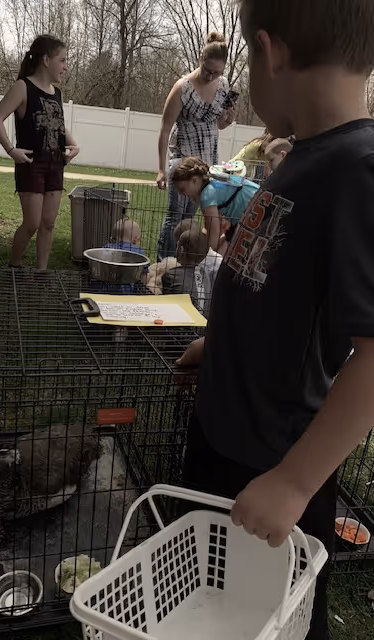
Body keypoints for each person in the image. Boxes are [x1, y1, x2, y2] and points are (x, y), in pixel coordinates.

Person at [177, 1, 374, 638]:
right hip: (225, 437)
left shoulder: (358, 170)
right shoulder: (301, 156)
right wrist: (221, 343)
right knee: (214, 608)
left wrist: (294, 483)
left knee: (273, 620)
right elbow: (274, 286)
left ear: (271, 51)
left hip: (271, 467)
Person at [0, 35, 79, 270]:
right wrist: (11, 150)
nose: (65, 66)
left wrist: (74, 145)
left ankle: (41, 273)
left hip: (56, 163)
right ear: (46, 60)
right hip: (31, 163)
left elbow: (57, 122)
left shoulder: (56, 93)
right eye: (62, 60)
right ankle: (14, 265)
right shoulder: (23, 87)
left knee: (48, 223)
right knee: (32, 223)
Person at [156, 32, 236, 261]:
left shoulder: (223, 86)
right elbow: (164, 129)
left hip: (206, 163)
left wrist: (228, 118)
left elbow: (218, 125)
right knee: (175, 214)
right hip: (182, 159)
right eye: (208, 70)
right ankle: (164, 262)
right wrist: (161, 169)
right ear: (200, 60)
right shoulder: (182, 88)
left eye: (217, 72)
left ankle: (184, 266)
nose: (211, 76)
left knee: (191, 217)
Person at [170, 157, 259, 257]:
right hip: (252, 212)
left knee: (216, 260)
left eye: (183, 189)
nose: (182, 194)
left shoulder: (207, 195)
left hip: (256, 213)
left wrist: (201, 256)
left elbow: (213, 238)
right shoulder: (212, 184)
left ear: (194, 181)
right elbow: (209, 230)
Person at [162, 228, 210, 312]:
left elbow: (166, 304)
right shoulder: (205, 274)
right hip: (205, 323)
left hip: (182, 322)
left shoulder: (170, 275)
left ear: (181, 250)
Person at [103, 218, 148, 294]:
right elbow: (144, 276)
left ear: (113, 237)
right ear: (136, 239)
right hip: (128, 292)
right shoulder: (139, 253)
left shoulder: (107, 248)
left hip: (106, 290)